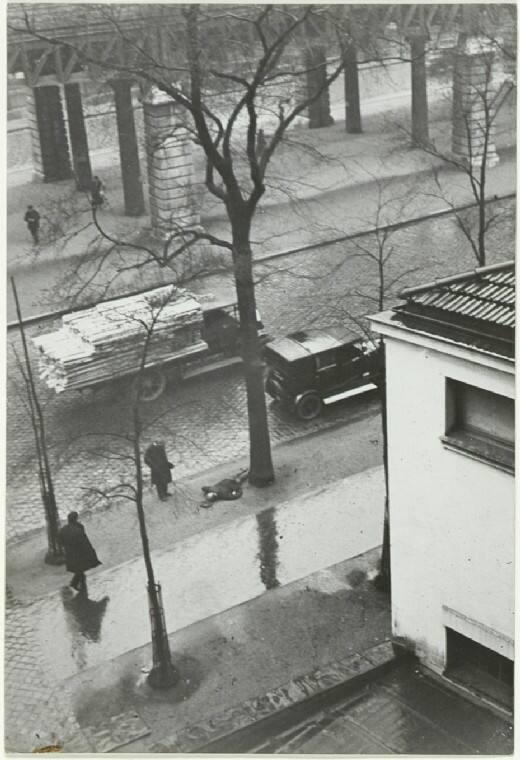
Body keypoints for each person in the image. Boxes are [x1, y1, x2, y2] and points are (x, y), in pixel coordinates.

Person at [58, 511, 102, 592]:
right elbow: (85, 542)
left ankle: (80, 587)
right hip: (80, 553)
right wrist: (91, 553)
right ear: (76, 519)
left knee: (79, 570)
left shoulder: (63, 530)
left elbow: (61, 542)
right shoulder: (79, 528)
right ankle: (75, 585)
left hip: (70, 553)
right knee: (80, 569)